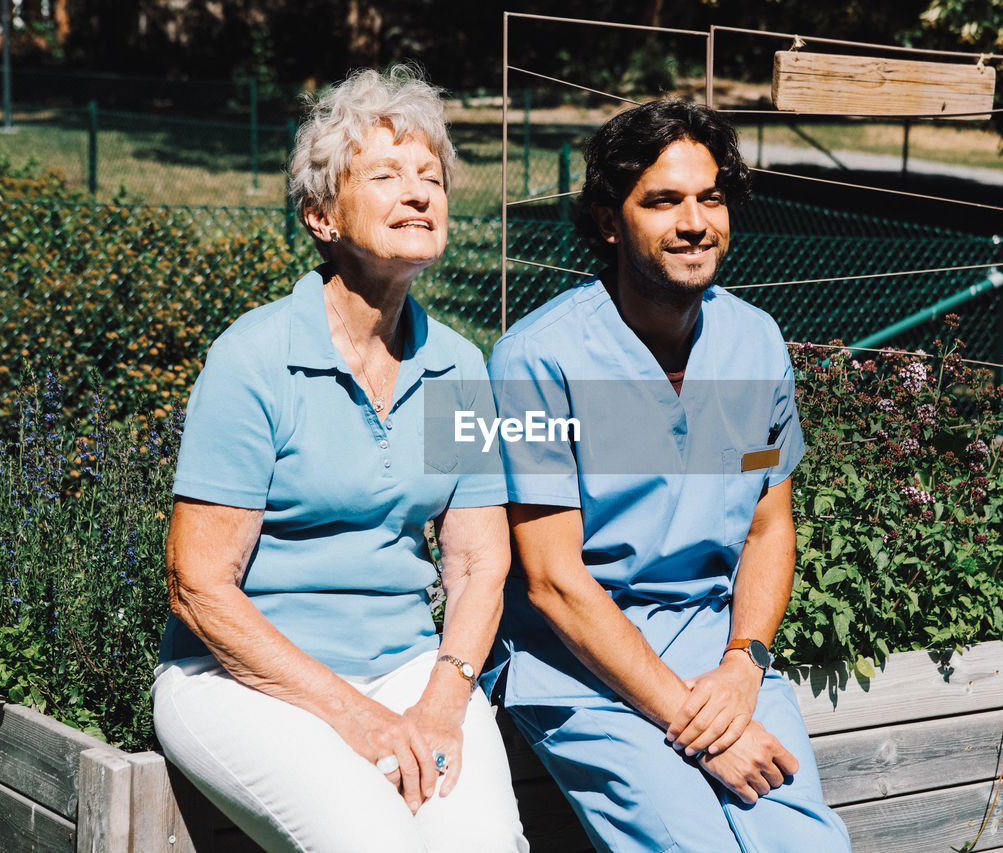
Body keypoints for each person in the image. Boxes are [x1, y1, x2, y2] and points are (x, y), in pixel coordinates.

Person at [151, 65, 528, 853]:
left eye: (431, 176)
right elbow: (199, 586)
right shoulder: (254, 359)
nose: (420, 193)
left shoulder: (459, 367)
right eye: (387, 175)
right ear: (321, 215)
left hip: (406, 671)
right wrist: (354, 715)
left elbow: (477, 566)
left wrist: (441, 700)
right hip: (238, 683)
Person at [485, 99, 852, 852]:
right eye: (663, 201)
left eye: (709, 197)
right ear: (610, 221)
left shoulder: (754, 342)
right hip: (580, 669)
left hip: (716, 654)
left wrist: (744, 664)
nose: (694, 222)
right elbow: (553, 580)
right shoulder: (534, 361)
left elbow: (767, 524)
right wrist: (699, 725)